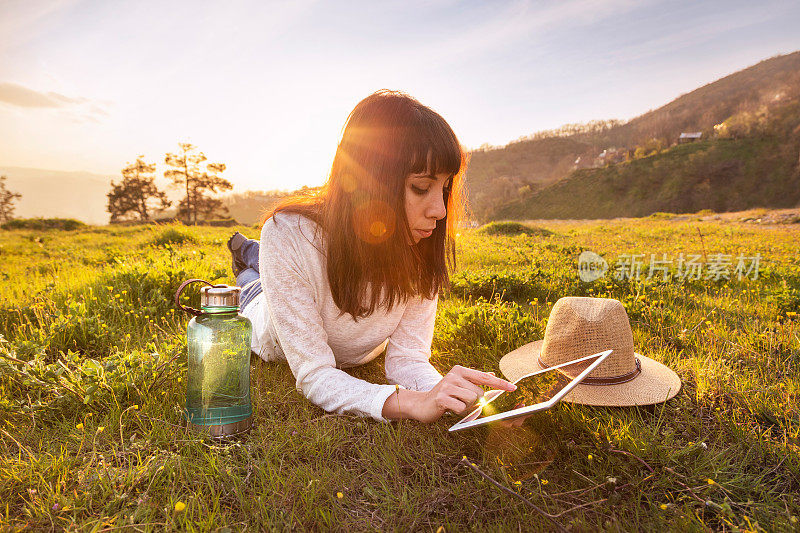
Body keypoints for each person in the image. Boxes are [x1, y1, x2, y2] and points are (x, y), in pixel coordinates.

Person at [228, 89, 516, 424]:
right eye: (422, 188)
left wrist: (450, 397)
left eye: (445, 188)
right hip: (264, 317)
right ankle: (246, 256)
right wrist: (409, 403)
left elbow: (408, 358)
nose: (439, 210)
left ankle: (251, 254)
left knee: (266, 265)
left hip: (299, 270)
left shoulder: (418, 244)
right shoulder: (288, 232)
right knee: (251, 285)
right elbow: (315, 375)